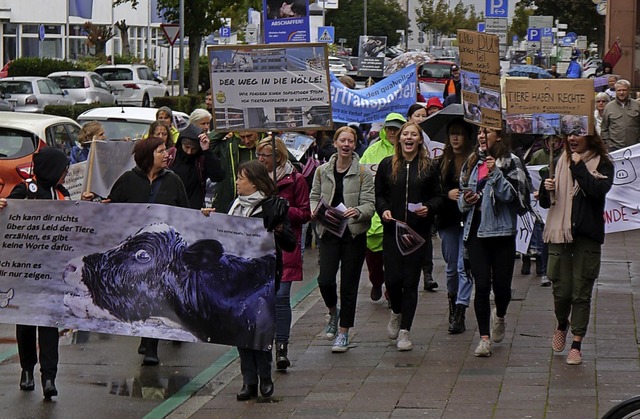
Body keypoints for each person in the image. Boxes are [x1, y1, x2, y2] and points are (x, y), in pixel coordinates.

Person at [106, 136, 190, 365]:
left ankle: (151, 345)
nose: (166, 155)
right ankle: (145, 335)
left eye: (166, 150)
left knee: (155, 293)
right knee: (137, 294)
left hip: (162, 253)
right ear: (147, 156)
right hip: (132, 251)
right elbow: (112, 211)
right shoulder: (127, 181)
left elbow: (185, 213)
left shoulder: (173, 181)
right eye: (160, 151)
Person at [0, 147, 73, 399]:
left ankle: (49, 377)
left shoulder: (62, 194)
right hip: (26, 271)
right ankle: (27, 370)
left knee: (49, 324)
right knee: (27, 323)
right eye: (63, 168)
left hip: (53, 271)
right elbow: (8, 215)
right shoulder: (25, 191)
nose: (66, 173)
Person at [220, 160, 295, 400]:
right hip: (237, 275)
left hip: (263, 277)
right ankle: (248, 381)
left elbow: (290, 243)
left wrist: (280, 230)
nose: (237, 182)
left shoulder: (273, 206)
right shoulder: (235, 206)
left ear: (253, 181)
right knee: (241, 328)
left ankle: (265, 378)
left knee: (260, 328)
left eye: (241, 178)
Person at [539, 132, 614, 365]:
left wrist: (579, 167)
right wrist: (545, 187)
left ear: (590, 137)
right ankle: (562, 322)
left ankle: (576, 343)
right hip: (559, 235)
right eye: (569, 134)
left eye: (579, 134)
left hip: (586, 237)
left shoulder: (603, 163)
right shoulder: (556, 161)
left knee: (581, 291)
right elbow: (545, 202)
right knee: (561, 291)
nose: (573, 138)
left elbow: (596, 191)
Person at [458, 127, 531, 357]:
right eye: (478, 132)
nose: (481, 136)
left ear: (498, 136)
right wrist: (466, 200)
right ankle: (484, 339)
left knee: (502, 288)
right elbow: (462, 196)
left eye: (486, 131)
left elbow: (515, 197)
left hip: (501, 233)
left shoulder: (511, 161)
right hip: (476, 232)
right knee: (481, 287)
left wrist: (495, 174)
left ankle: (499, 314)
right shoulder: (471, 161)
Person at [376, 121, 442, 350]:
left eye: (414, 134)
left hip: (417, 233)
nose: (409, 138)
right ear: (399, 139)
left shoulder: (429, 167)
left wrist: (429, 207)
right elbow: (379, 195)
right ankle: (396, 311)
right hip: (393, 230)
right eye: (406, 134)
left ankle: (405, 330)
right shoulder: (387, 165)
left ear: (420, 140)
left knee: (411, 281)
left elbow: (438, 197)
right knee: (392, 279)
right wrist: (383, 209)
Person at [309, 126, 375, 352]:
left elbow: (369, 204)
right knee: (325, 280)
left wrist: (357, 211)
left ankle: (344, 332)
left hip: (353, 235)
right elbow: (314, 197)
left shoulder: (364, 173)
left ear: (355, 145)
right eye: (342, 140)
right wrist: (314, 210)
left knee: (349, 284)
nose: (346, 145)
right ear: (335, 142)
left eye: (351, 141)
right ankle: (332, 312)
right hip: (329, 232)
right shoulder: (322, 171)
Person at [255, 136, 310, 369]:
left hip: (286, 246)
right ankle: (263, 345)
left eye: (264, 156)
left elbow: (306, 213)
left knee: (280, 297)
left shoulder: (296, 179)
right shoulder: (254, 180)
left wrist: (284, 209)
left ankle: (282, 346)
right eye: (258, 155)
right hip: (260, 247)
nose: (260, 160)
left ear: (278, 156)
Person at [360, 113, 406, 302]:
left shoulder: (408, 150)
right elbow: (362, 173)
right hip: (376, 210)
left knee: (394, 258)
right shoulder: (372, 150)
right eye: (390, 128)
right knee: (374, 257)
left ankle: (391, 291)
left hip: (399, 209)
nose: (393, 132)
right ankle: (376, 281)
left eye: (397, 128)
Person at [434, 120, 475, 334]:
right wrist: (446, 195)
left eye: (460, 134)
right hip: (448, 220)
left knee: (464, 265)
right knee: (451, 267)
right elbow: (432, 193)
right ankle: (452, 301)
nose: (456, 138)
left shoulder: (475, 162)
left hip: (469, 220)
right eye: (452, 134)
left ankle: (461, 309)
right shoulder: (441, 163)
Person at [407, 103, 437, 291]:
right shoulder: (405, 139)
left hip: (422, 203)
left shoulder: (430, 139)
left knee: (424, 238)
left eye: (423, 115)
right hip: (403, 206)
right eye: (417, 115)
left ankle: (427, 273)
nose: (421, 118)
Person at [168, 123, 224, 209]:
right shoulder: (171, 156)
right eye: (186, 147)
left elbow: (217, 176)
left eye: (194, 149)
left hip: (193, 209)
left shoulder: (201, 159)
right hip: (170, 207)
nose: (189, 152)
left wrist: (207, 150)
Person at [210, 130, 262, 213]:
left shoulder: (268, 145)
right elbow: (209, 142)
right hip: (227, 202)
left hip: (258, 204)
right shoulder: (228, 146)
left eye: (249, 136)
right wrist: (228, 124)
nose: (247, 141)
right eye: (242, 137)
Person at [601, 79, 640, 151]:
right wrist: (608, 144)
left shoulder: (637, 105)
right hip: (615, 148)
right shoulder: (609, 107)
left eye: (624, 90)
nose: (621, 93)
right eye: (619, 90)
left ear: (629, 90)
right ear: (615, 91)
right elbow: (604, 128)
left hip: (635, 148)